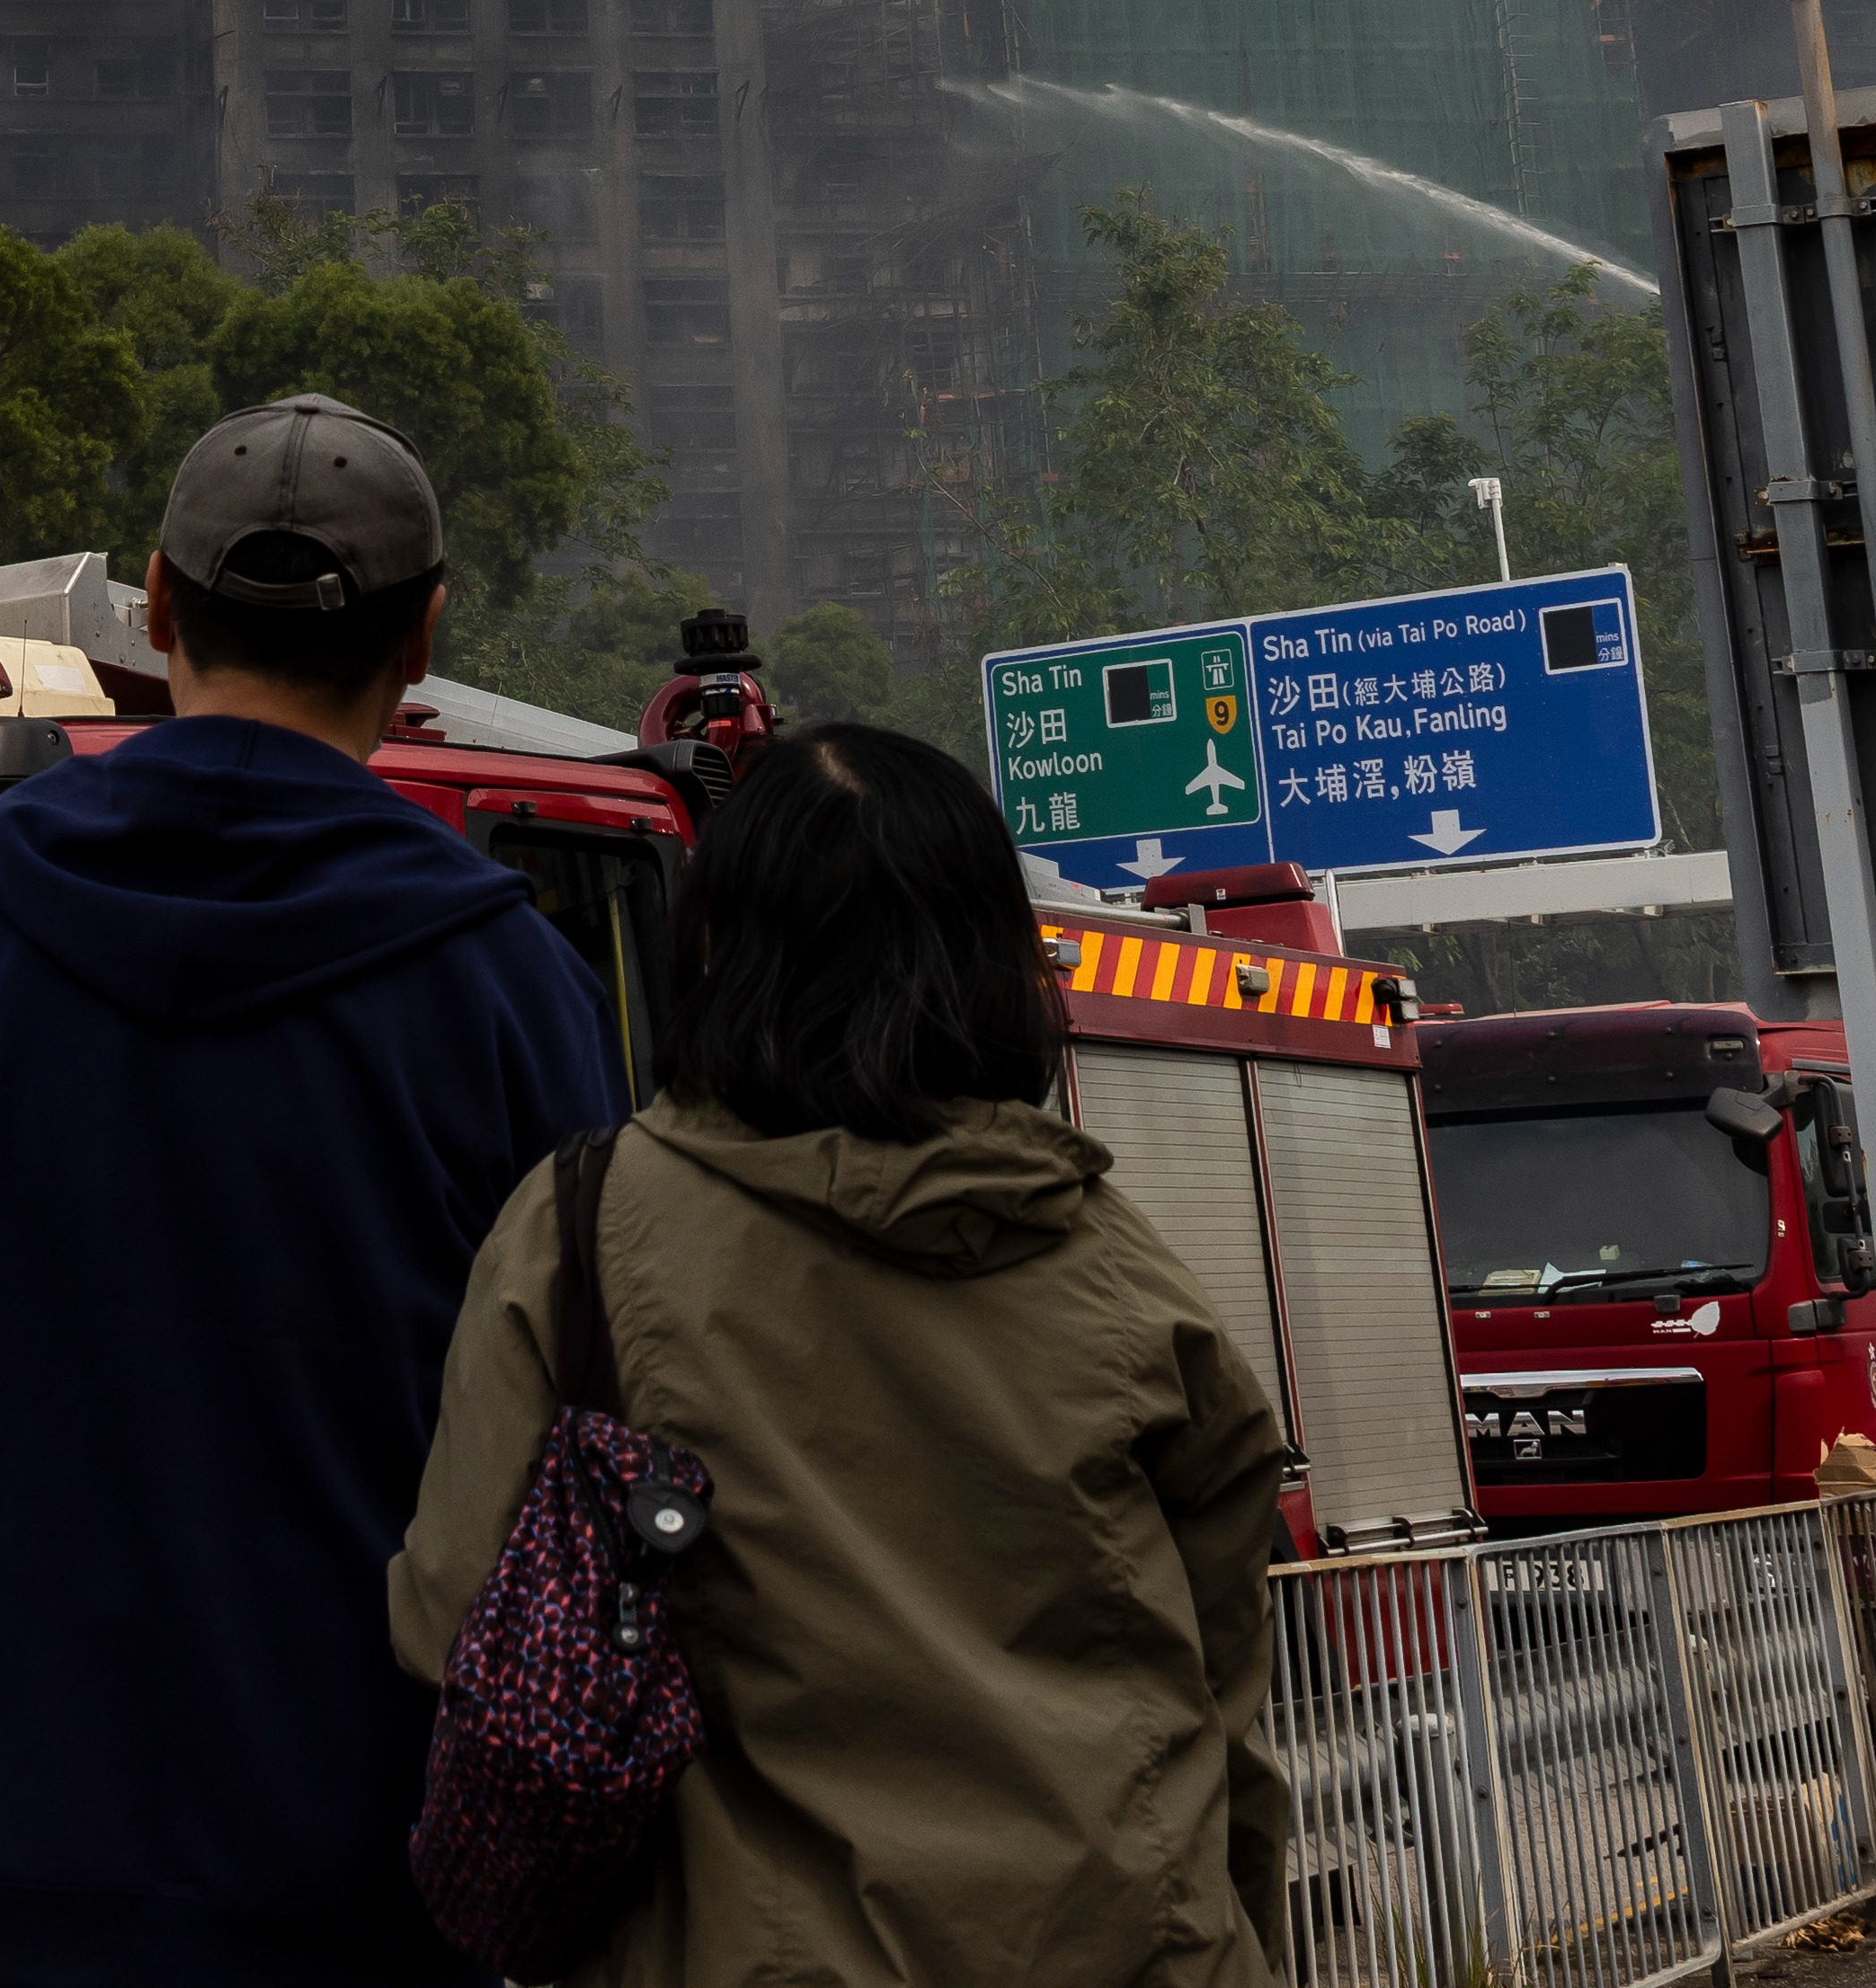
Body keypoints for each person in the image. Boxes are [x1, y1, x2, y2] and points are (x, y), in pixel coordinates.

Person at [0, 395, 617, 1988]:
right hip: (354, 1873)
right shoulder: (505, 981)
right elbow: (588, 1413)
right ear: (422, 636)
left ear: (156, 602)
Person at [387, 723, 1285, 1985]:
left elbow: (452, 1622)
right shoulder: (1117, 1264)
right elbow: (1226, 1690)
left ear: (712, 947)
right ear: (994, 959)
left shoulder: (582, 1231)